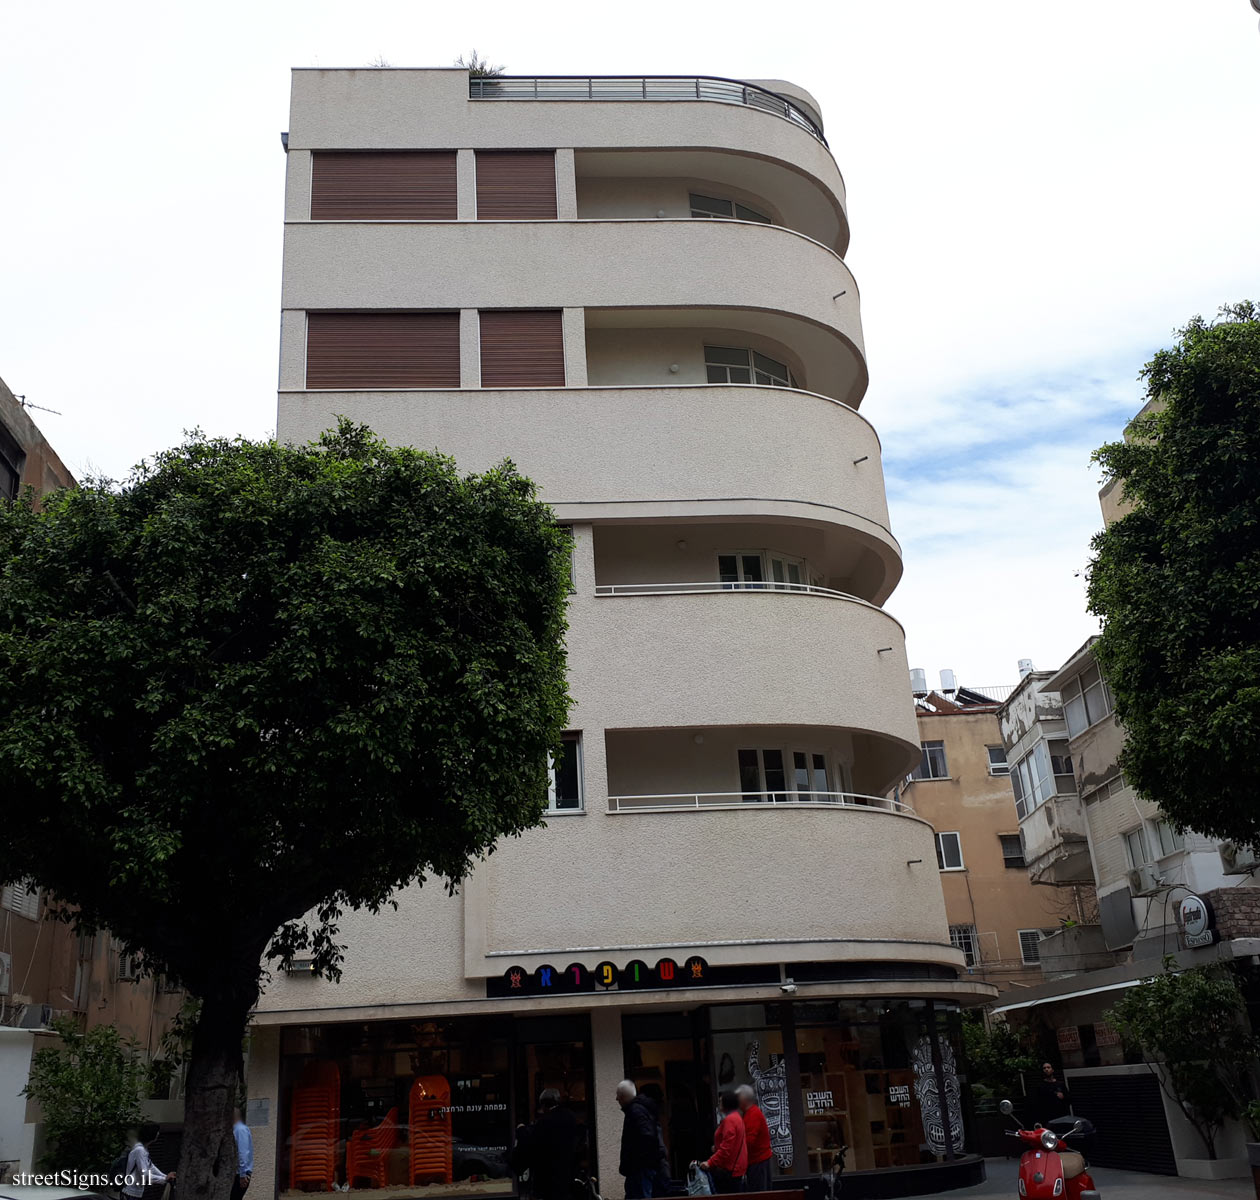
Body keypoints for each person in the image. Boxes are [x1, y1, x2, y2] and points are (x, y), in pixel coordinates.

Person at [528, 1089, 584, 1200]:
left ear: (544, 1105)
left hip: (548, 1176)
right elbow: (578, 1139)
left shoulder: (543, 1122)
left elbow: (535, 1149)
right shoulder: (571, 1117)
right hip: (568, 1172)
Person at [617, 1080, 661, 1199]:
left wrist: (635, 1161)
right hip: (640, 1168)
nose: (617, 1099)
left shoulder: (635, 1111)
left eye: (618, 1096)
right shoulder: (639, 1109)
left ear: (623, 1096)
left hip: (639, 1169)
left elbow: (647, 1136)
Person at [700, 1092, 746, 1195]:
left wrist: (710, 1162)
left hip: (729, 1169)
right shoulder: (737, 1117)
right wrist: (716, 1147)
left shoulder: (729, 1120)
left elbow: (727, 1148)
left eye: (721, 1101)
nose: (719, 1103)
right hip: (735, 1167)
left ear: (727, 1103)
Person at [122, 1124, 174, 1200]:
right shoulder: (140, 1151)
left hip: (135, 1193)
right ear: (152, 1135)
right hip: (131, 1194)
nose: (158, 1133)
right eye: (157, 1132)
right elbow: (145, 1175)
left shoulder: (143, 1149)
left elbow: (151, 1166)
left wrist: (165, 1176)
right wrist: (164, 1179)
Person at [735, 1085, 771, 1192]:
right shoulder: (750, 1113)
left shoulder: (753, 1114)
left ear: (744, 1100)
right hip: (757, 1160)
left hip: (758, 1161)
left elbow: (749, 1141)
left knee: (759, 1192)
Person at [232, 1107, 253, 1200]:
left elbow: (243, 1152)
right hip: (240, 1172)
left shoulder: (239, 1130)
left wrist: (242, 1174)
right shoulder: (239, 1129)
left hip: (240, 1173)